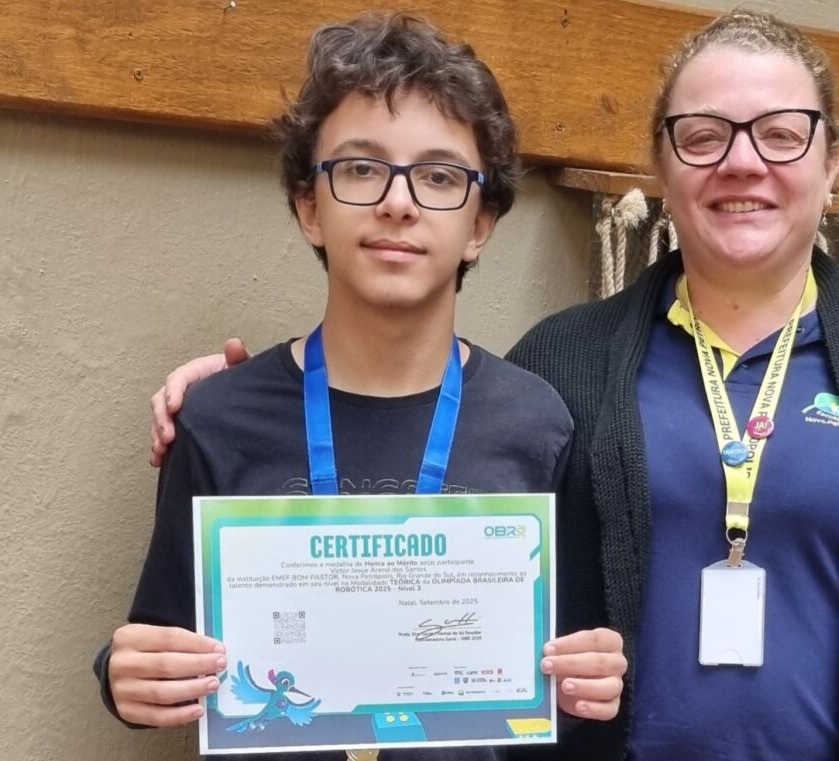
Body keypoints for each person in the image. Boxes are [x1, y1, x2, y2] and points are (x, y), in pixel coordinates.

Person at [150, 9, 839, 761]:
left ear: (830, 160)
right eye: (703, 135)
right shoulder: (564, 363)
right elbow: (439, 450)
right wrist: (237, 401)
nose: (741, 162)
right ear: (662, 164)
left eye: (781, 133)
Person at [96, 13, 626, 761]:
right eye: (361, 168)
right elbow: (163, 644)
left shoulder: (537, 421)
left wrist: (592, 686)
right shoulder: (218, 419)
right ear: (309, 206)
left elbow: (564, 694)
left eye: (439, 176)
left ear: (480, 224)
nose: (398, 202)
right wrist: (121, 677)